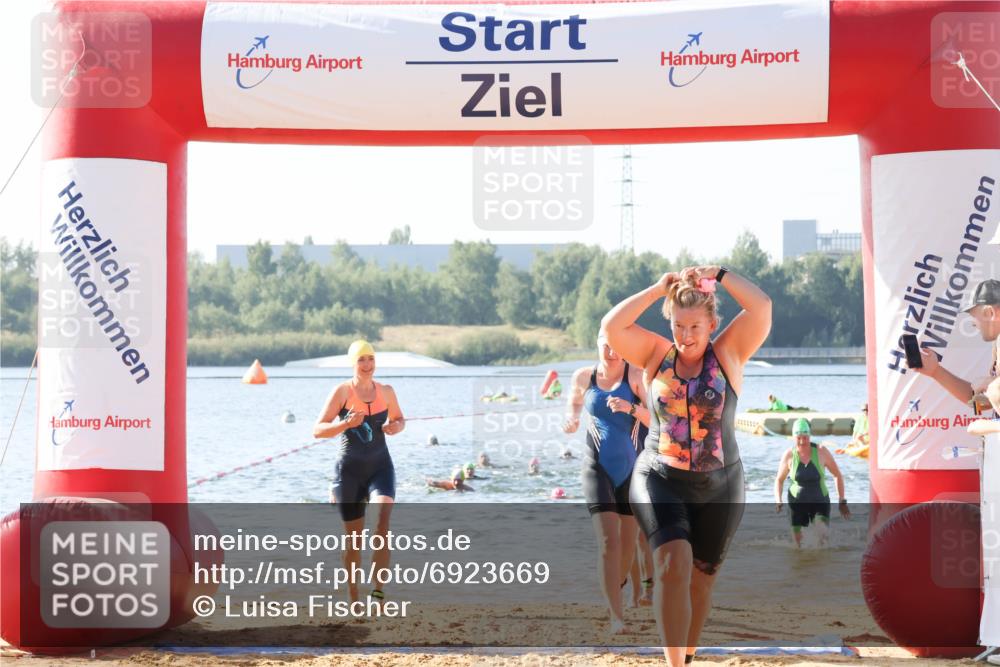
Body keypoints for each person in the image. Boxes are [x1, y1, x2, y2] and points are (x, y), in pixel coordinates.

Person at [603, 265, 771, 667]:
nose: (686, 335)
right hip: (661, 477)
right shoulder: (656, 355)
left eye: (695, 326)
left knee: (701, 581)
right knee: (671, 562)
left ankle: (688, 657)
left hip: (722, 485)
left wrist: (722, 274)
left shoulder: (729, 352)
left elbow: (762, 306)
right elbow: (612, 326)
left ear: (712, 323)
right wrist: (655, 290)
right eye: (679, 326)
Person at [563, 329, 651, 634]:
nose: (612, 352)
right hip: (596, 467)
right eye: (606, 346)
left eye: (617, 347)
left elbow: (660, 418)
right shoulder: (583, 377)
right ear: (597, 344)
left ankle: (620, 583)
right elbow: (574, 402)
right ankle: (616, 618)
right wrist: (572, 418)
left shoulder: (636, 376)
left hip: (632, 469)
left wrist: (632, 408)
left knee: (627, 549)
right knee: (607, 542)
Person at [313, 340, 406, 605]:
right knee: (353, 542)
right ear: (353, 363)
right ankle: (353, 595)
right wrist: (345, 423)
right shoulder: (342, 391)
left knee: (381, 527)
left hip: (380, 468)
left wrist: (396, 428)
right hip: (349, 471)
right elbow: (317, 429)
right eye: (361, 360)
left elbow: (400, 419)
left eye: (371, 359)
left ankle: (377, 591)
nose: (367, 365)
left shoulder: (387, 391)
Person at [913, 279, 1000, 414]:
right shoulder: (997, 345)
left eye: (973, 315)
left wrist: (982, 426)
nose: (973, 323)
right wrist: (935, 372)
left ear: (990, 313)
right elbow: (987, 403)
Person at [774, 418, 850, 547]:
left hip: (820, 501)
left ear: (809, 435)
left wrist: (842, 500)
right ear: (793, 437)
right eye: (799, 438)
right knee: (798, 546)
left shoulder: (821, 452)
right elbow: (779, 480)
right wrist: (778, 500)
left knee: (822, 540)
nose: (802, 441)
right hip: (796, 503)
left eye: (805, 437)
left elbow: (837, 475)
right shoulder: (789, 455)